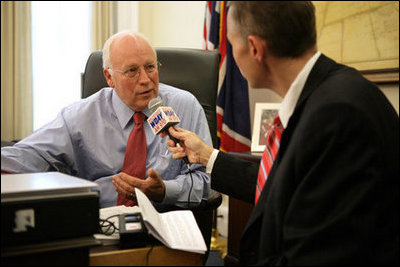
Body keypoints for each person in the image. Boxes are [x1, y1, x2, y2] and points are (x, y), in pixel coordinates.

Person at [162, 2, 399, 265]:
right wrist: (206, 156)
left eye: (231, 43)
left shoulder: (336, 116)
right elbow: (283, 184)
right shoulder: (327, 94)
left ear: (254, 48)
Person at [1, 30, 212, 210]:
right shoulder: (80, 116)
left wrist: (165, 191)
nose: (146, 80)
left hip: (168, 223)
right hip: (100, 227)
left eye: (150, 67)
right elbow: (28, 155)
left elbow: (205, 181)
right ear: (109, 77)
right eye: (132, 71)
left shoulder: (185, 107)